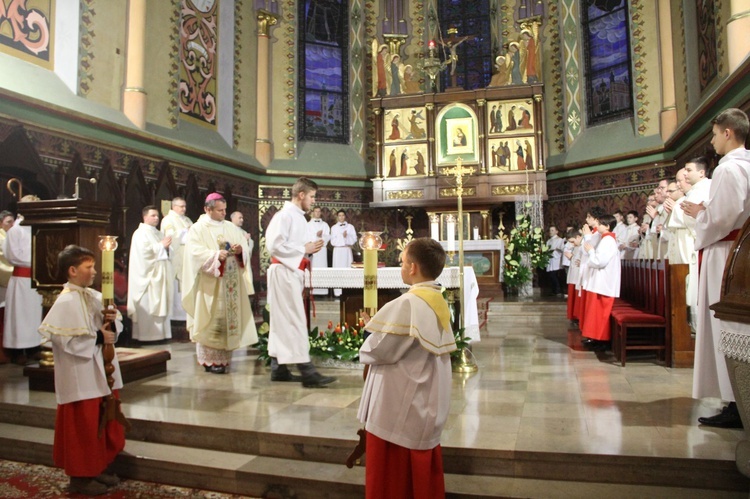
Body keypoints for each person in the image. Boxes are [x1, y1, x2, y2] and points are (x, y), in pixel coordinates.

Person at [357, 238, 457, 498]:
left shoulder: (409, 303)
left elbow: (380, 350)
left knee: (393, 482)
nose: (400, 267)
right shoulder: (437, 300)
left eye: (402, 262)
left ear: (413, 268)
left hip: (399, 406)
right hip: (423, 402)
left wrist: (369, 334)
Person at [38, 245, 125, 496]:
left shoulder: (95, 296)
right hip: (80, 376)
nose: (95, 271)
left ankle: (97, 466)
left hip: (99, 371)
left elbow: (113, 327)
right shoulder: (65, 301)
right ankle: (80, 477)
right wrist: (98, 337)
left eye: (95, 266)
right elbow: (63, 340)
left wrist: (111, 322)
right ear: (73, 270)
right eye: (89, 267)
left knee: (101, 420)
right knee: (83, 427)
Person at [682, 108, 750, 429]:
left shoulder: (727, 170)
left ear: (727, 133)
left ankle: (734, 402)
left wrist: (700, 214)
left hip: (724, 252)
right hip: (742, 252)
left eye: (713, 134)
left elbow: (723, 219)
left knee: (724, 327)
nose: (711, 141)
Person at [265, 177, 336, 387]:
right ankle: (307, 371)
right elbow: (274, 245)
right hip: (284, 272)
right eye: (312, 196)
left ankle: (279, 368)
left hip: (291, 271)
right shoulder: (284, 216)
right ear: (301, 195)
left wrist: (310, 248)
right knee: (294, 319)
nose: (314, 201)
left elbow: (296, 245)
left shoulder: (299, 218)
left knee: (282, 320)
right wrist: (303, 250)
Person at [182, 193, 258, 374]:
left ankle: (223, 360)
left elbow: (243, 248)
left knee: (226, 321)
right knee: (210, 319)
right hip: (209, 284)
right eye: (219, 210)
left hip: (230, 284)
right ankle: (209, 361)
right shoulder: (198, 228)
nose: (224, 213)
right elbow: (194, 253)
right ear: (207, 209)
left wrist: (240, 251)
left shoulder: (230, 227)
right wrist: (216, 255)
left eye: (225, 210)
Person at [3, 195, 42, 365]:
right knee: (20, 317)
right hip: (21, 279)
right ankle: (17, 352)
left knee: (34, 316)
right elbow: (13, 255)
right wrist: (36, 259)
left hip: (36, 280)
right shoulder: (15, 230)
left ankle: (34, 348)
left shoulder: (37, 227)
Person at [128, 206, 173, 342]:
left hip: (159, 275)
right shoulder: (140, 233)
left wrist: (167, 247)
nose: (156, 218)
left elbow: (165, 250)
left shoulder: (158, 233)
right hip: (147, 278)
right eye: (153, 215)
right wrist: (161, 246)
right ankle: (147, 336)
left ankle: (161, 335)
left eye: (157, 216)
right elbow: (144, 253)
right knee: (148, 304)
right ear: (145, 217)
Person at [580, 214, 621, 351]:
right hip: (600, 281)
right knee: (596, 313)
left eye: (600, 223)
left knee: (601, 313)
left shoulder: (608, 240)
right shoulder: (605, 239)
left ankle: (602, 340)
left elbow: (599, 261)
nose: (598, 226)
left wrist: (591, 251)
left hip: (604, 282)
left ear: (608, 226)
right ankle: (596, 338)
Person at [160, 197, 193, 321]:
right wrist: (185, 231)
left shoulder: (187, 220)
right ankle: (177, 317)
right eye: (181, 206)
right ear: (173, 207)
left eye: (184, 206)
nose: (184, 209)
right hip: (177, 258)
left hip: (188, 257)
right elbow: (170, 237)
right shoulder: (168, 220)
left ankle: (188, 315)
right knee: (177, 287)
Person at [330, 209, 357, 297]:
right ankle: (338, 292)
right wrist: (342, 237)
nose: (341, 217)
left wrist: (346, 237)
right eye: (339, 216)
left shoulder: (350, 227)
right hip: (338, 251)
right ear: (337, 217)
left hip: (347, 251)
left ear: (345, 216)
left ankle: (348, 290)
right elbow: (333, 241)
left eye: (343, 215)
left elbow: (354, 239)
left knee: (348, 269)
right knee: (338, 270)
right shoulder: (334, 228)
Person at [305, 206, 331, 296]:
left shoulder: (325, 225)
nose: (317, 213)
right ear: (313, 212)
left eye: (319, 211)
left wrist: (321, 237)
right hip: (312, 249)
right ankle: (313, 290)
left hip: (322, 250)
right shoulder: (308, 225)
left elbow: (328, 237)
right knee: (313, 269)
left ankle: (323, 291)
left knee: (322, 269)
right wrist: (316, 236)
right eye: (316, 211)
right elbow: (306, 237)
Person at [0, 210, 14, 364]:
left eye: (12, 221)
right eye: (8, 222)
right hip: (4, 282)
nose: (11, 224)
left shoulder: (11, 235)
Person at [230, 211, 256, 296]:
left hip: (244, 264)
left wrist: (248, 241)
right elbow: (231, 245)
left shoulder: (244, 232)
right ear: (233, 218)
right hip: (233, 264)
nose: (242, 220)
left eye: (242, 218)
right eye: (239, 218)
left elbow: (248, 250)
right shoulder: (228, 230)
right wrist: (244, 239)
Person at [564, 229, 583, 323]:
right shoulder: (576, 246)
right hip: (573, 275)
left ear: (578, 237)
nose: (572, 244)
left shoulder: (583, 246)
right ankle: (573, 317)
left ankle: (578, 317)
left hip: (579, 276)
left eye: (572, 241)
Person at [545, 226, 565, 296]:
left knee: (555, 275)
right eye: (550, 230)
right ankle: (554, 290)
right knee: (551, 275)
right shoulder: (548, 241)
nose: (551, 232)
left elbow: (562, 249)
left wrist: (556, 250)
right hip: (550, 260)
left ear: (556, 231)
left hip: (556, 259)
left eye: (552, 230)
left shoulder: (560, 240)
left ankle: (558, 290)